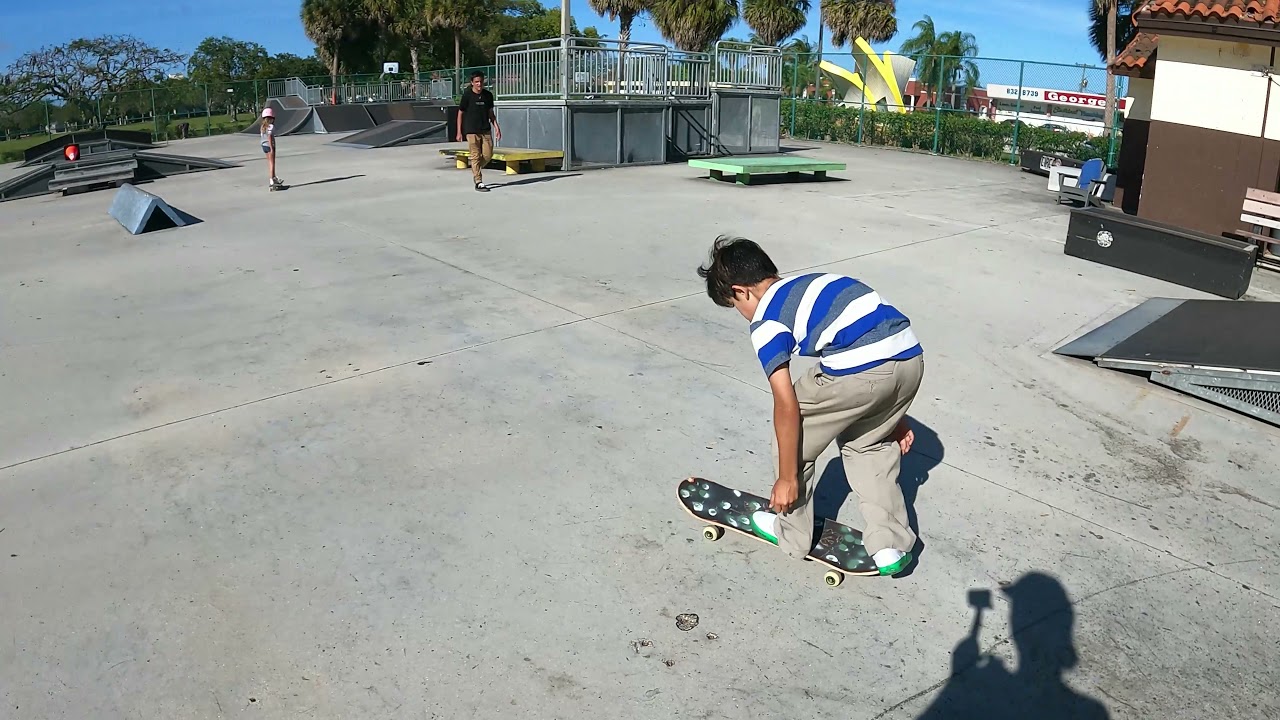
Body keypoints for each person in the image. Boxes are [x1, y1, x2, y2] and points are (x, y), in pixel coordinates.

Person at [696, 235, 925, 576]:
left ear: (742, 291)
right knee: (869, 444)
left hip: (860, 374)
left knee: (793, 433)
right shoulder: (814, 283)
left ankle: (791, 532)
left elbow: (785, 404)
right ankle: (890, 545)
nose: (742, 314)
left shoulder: (767, 321)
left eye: (734, 306)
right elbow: (879, 339)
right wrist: (894, 415)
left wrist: (787, 478)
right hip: (910, 361)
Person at [456, 71, 501, 192]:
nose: (479, 84)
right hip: (471, 130)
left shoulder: (488, 95)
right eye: (476, 82)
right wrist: (459, 132)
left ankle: (475, 169)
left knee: (488, 154)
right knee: (475, 156)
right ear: (472, 83)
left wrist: (496, 126)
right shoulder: (467, 95)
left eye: (481, 81)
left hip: (485, 129)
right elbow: (460, 113)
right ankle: (478, 181)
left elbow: (490, 113)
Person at [260, 107, 283, 191]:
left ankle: (273, 177)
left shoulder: (263, 127)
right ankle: (272, 179)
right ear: (272, 118)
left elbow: (262, 137)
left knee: (269, 162)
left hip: (263, 145)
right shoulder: (271, 126)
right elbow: (269, 137)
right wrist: (271, 147)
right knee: (272, 163)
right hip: (269, 145)